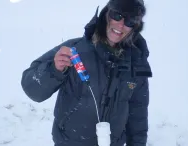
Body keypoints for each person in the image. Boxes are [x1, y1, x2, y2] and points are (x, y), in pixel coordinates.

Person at [21, 0, 152, 145]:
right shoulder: (75, 49)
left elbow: (138, 115)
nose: (121, 25)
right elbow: (32, 89)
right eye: (117, 15)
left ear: (135, 27)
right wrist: (54, 70)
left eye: (130, 20)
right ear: (106, 14)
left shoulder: (136, 62)